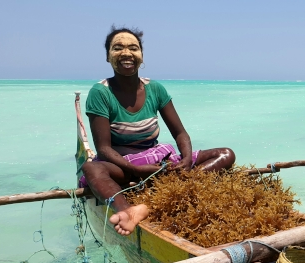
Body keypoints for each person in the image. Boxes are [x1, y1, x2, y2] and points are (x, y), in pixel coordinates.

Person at [81, 26, 236, 236]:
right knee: (92, 169)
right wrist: (136, 169)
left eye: (133, 48)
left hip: (156, 162)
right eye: (118, 48)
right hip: (123, 165)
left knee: (226, 154)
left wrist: (186, 160)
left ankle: (166, 194)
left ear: (141, 56)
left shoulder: (155, 88)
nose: (126, 53)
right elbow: (104, 149)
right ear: (108, 56)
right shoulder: (100, 92)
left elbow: (180, 134)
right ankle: (126, 211)